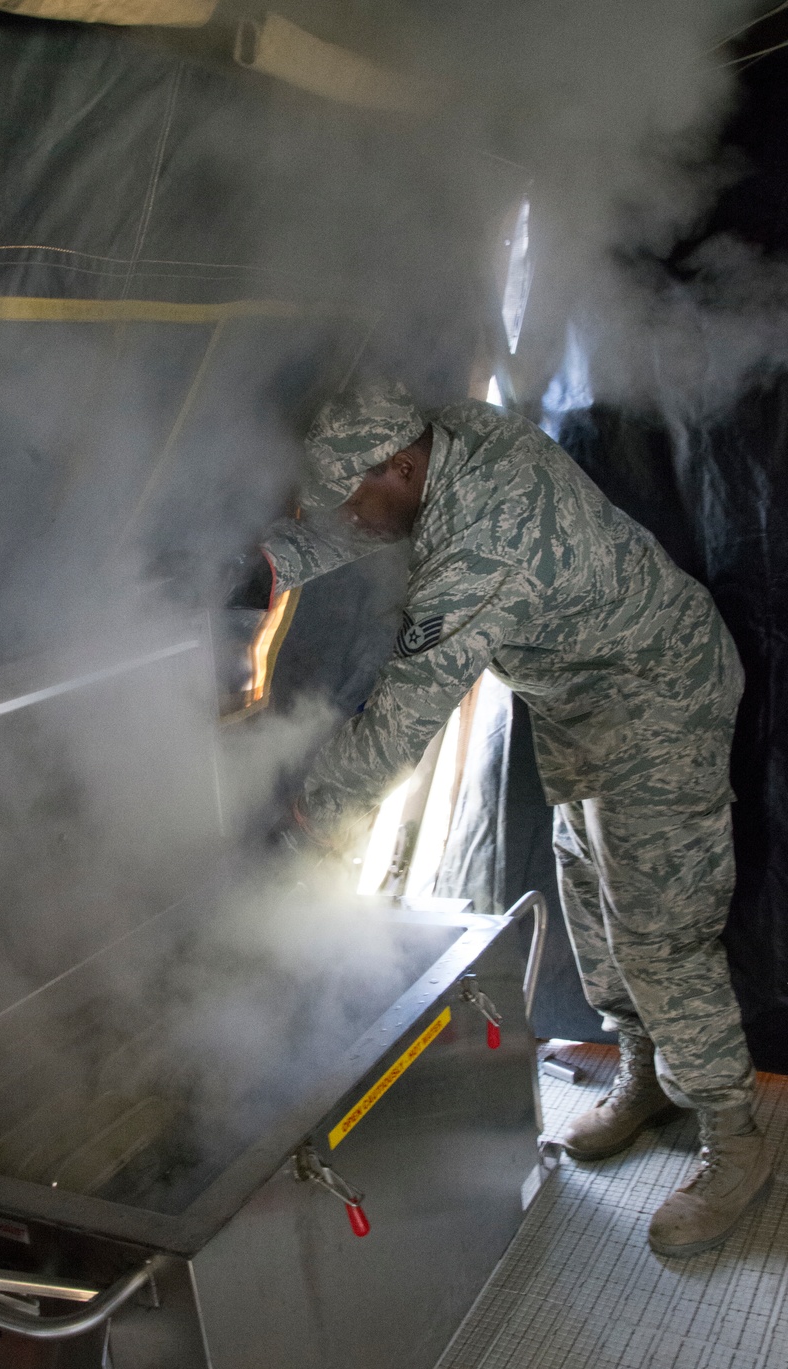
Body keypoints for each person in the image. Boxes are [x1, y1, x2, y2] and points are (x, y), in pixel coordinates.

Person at [253, 378, 771, 1258]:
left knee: (659, 934)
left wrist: (315, 814)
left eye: (354, 500)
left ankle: (738, 1137)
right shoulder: (453, 433)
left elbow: (404, 720)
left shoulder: (481, 556)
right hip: (586, 699)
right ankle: (643, 1076)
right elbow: (375, 524)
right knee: (585, 887)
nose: (351, 520)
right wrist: (269, 562)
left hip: (660, 696)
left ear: (402, 465)